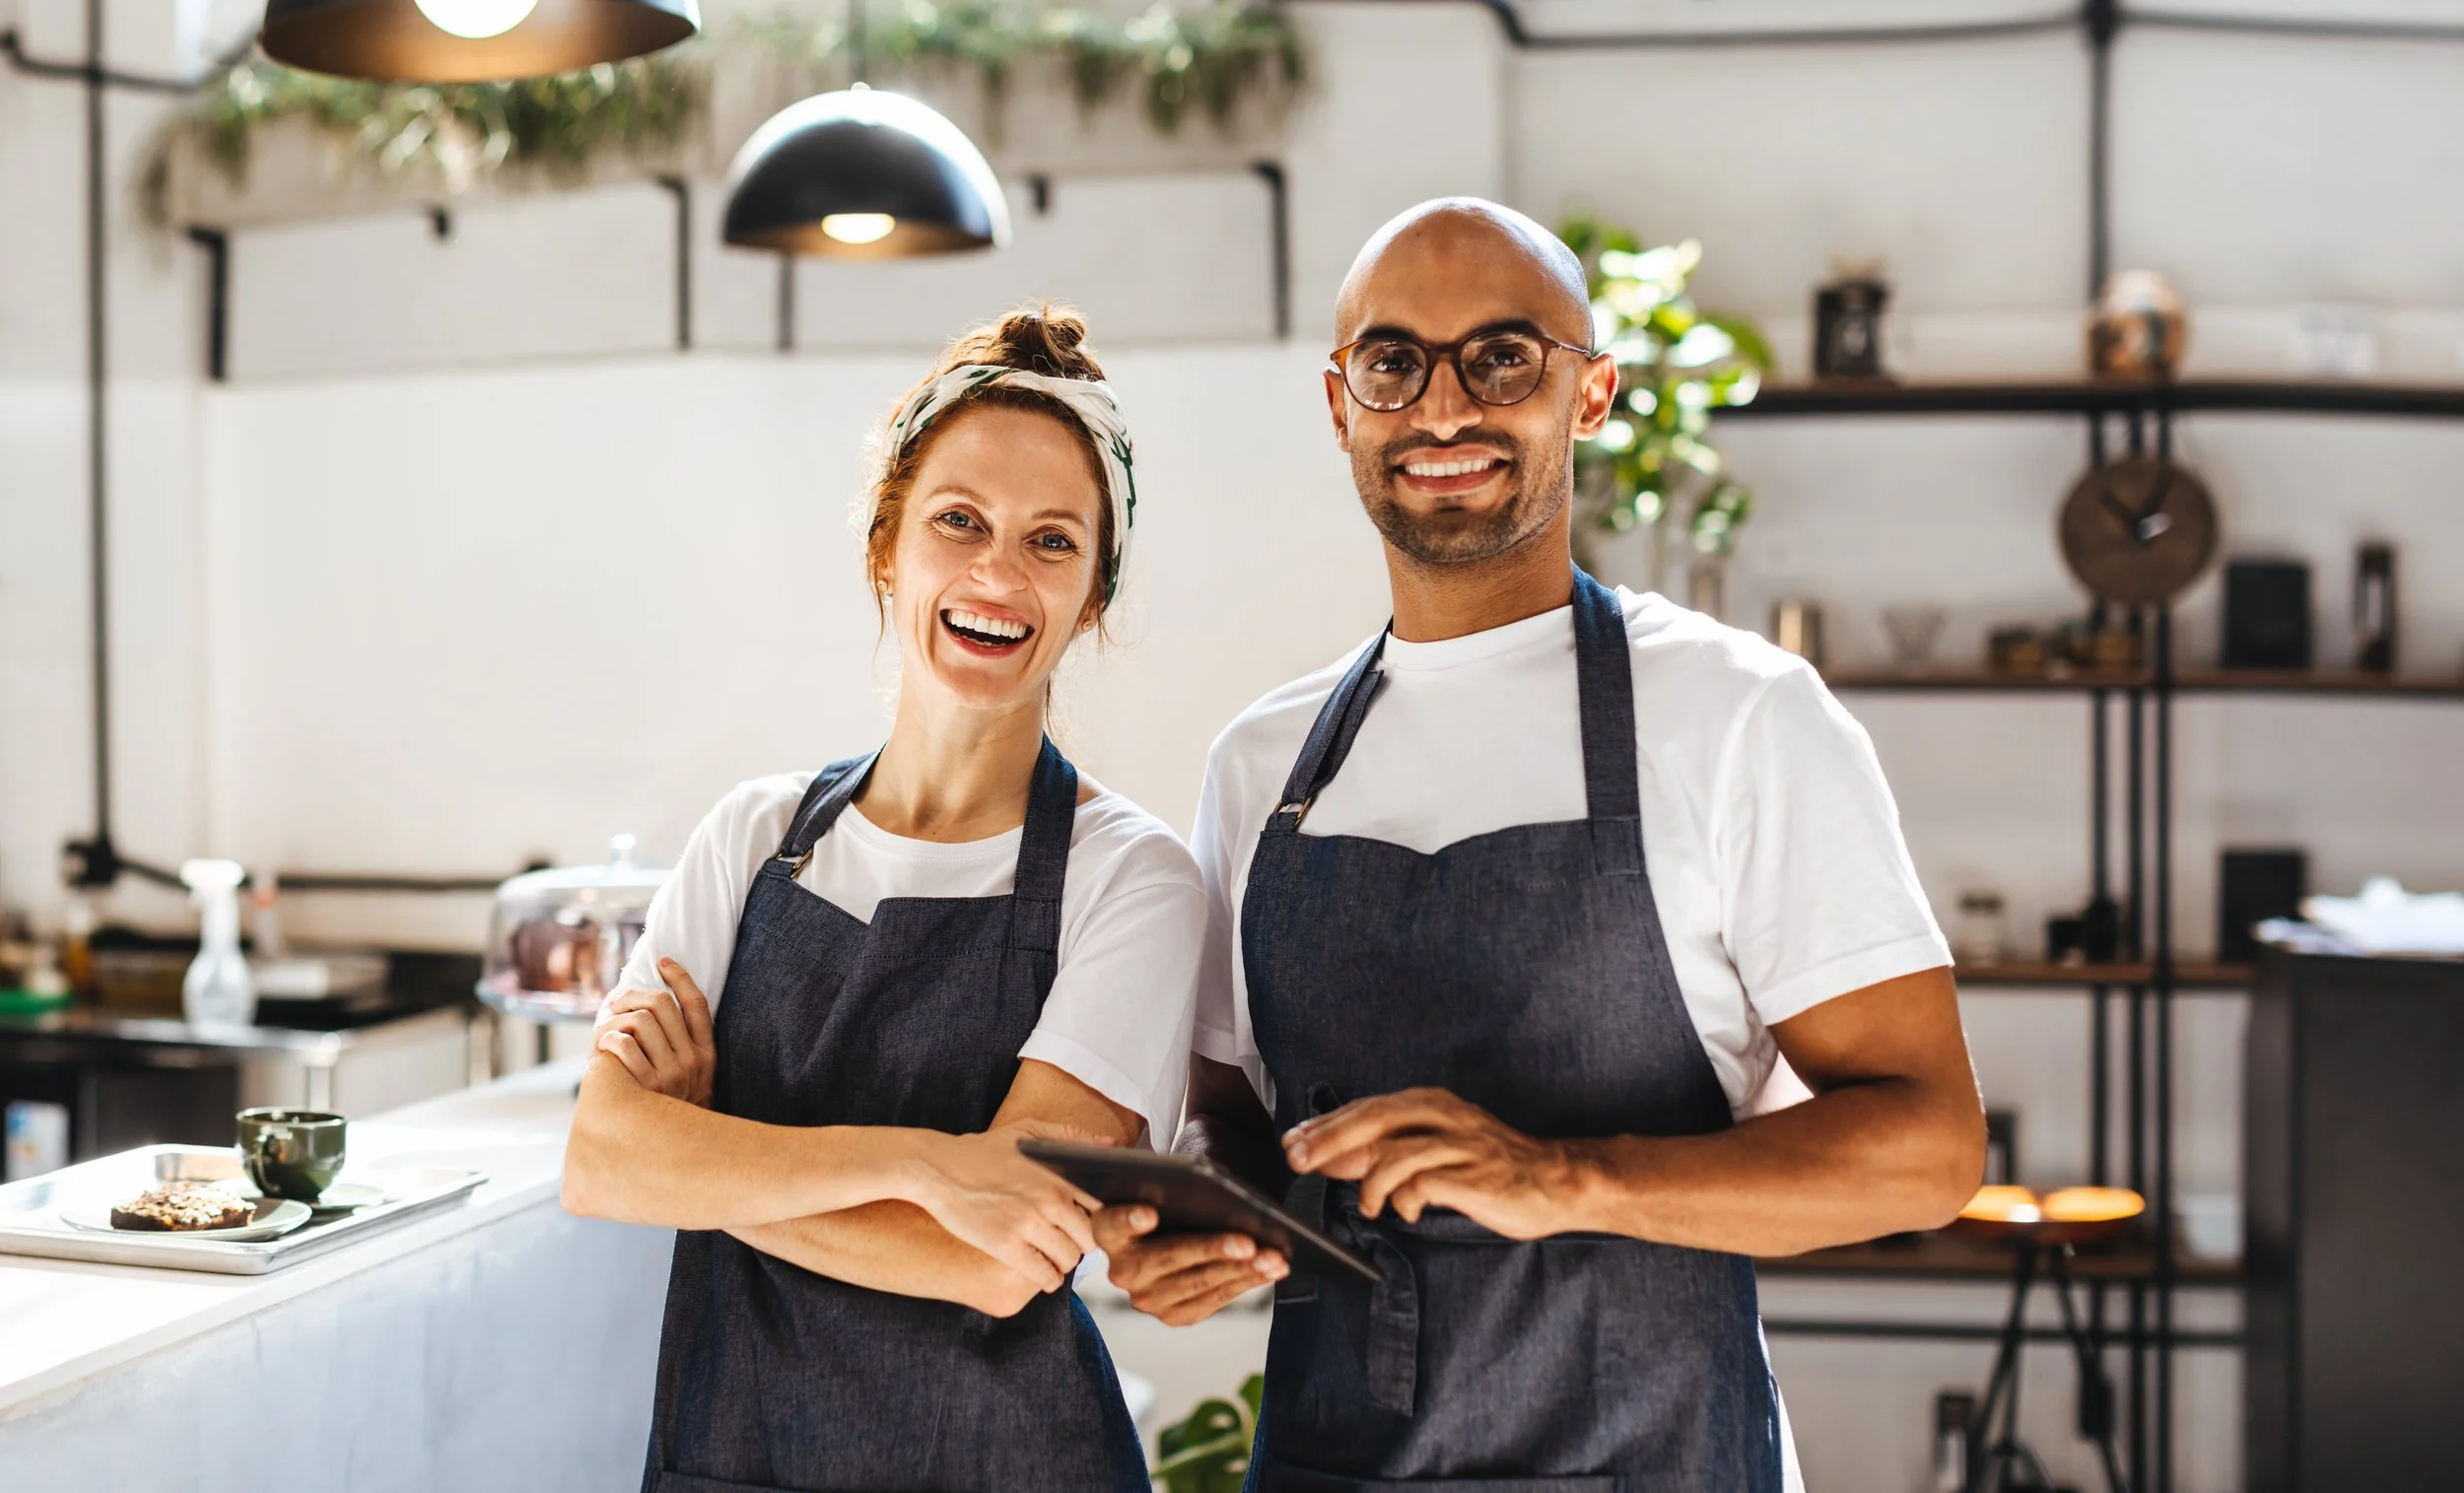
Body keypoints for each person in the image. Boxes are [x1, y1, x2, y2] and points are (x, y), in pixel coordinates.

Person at [1095, 200, 1987, 1489]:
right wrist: (1195, 1217)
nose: (1444, 407)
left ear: (1593, 393)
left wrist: (1567, 1174)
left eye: (1503, 356)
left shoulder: (1739, 715)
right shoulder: (1266, 763)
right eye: (1395, 363)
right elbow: (1228, 1111)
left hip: (1655, 1457)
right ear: (1342, 404)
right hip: (1333, 1461)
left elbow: (1927, 1147)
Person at [561, 306, 1205, 1493]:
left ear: (1094, 595)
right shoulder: (754, 837)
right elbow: (602, 1160)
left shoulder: (1131, 878)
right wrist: (925, 1165)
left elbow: (1000, 1259)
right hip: (732, 1458)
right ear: (885, 546)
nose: (998, 574)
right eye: (957, 522)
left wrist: (708, 1159)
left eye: (1052, 542)